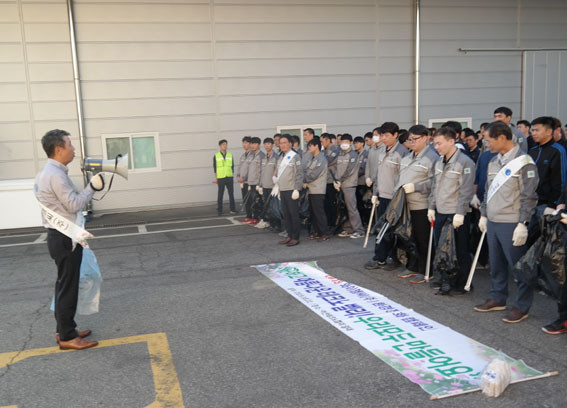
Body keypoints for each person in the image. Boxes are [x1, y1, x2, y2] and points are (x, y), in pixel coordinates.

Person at [34, 129, 102, 350]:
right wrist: (92, 187)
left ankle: (64, 329)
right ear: (58, 149)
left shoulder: (48, 173)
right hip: (65, 237)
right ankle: (68, 336)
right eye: (70, 145)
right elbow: (74, 205)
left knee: (64, 285)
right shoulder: (55, 175)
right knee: (68, 287)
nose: (73, 149)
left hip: (60, 236)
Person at [474, 122, 539, 323]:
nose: (487, 144)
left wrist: (523, 223)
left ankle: (521, 306)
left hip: (512, 223)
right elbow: (488, 191)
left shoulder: (524, 162)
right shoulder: (493, 161)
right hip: (493, 221)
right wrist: (484, 214)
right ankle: (498, 297)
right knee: (496, 264)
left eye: (489, 140)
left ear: (502, 138)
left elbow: (529, 196)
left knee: (518, 267)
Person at [428, 126, 475, 294]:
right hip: (440, 210)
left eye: (439, 143)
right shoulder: (439, 161)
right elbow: (434, 186)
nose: (436, 147)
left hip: (456, 214)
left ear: (451, 141)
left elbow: (466, 190)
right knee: (441, 247)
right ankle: (443, 277)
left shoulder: (465, 162)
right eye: (435, 143)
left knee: (459, 250)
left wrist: (460, 212)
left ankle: (461, 282)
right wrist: (431, 207)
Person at [394, 125, 439, 283]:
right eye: (410, 139)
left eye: (415, 139)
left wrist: (416, 187)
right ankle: (412, 266)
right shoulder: (407, 158)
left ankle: (426, 270)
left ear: (425, 138)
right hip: (405, 205)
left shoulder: (432, 158)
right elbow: (399, 179)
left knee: (423, 239)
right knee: (409, 237)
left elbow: (435, 182)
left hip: (422, 204)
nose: (411, 142)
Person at [365, 122, 409, 269]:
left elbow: (403, 177)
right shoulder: (382, 150)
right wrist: (375, 193)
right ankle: (380, 257)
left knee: (392, 230)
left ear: (396, 135)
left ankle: (392, 258)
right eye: (382, 135)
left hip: (395, 198)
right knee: (382, 228)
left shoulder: (402, 152)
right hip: (382, 195)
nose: (383, 138)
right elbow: (379, 174)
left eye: (387, 135)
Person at [526, 116, 567, 246]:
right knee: (527, 241)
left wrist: (554, 204)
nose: (533, 133)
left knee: (542, 243)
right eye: (532, 130)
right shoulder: (532, 151)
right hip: (529, 204)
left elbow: (561, 179)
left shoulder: (558, 150)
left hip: (545, 206)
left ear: (549, 131)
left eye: (537, 130)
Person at [272, 134, 303, 246]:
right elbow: (278, 172)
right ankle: (289, 235)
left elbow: (299, 174)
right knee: (286, 214)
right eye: (281, 143)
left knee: (293, 214)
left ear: (290, 144)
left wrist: (297, 189)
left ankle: (295, 237)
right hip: (283, 189)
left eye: (285, 142)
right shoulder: (280, 157)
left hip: (292, 190)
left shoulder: (295, 156)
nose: (283, 145)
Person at [334, 134, 365, 239]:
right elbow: (337, 169)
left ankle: (359, 230)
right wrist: (336, 181)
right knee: (344, 208)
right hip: (340, 185)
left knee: (352, 208)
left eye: (346, 142)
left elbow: (349, 170)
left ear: (351, 143)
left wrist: (340, 180)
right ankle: (348, 228)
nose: (344, 144)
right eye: (343, 142)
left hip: (349, 185)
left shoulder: (353, 155)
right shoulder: (340, 154)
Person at [304, 139, 330, 241]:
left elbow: (313, 174)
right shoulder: (313, 158)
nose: (309, 148)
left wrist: (302, 179)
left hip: (318, 189)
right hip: (311, 189)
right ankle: (317, 231)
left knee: (319, 212)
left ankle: (324, 233)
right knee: (313, 212)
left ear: (316, 146)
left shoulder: (321, 159)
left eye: (311, 146)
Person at [255, 137, 277, 229]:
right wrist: (259, 185)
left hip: (272, 186)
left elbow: (277, 170)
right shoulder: (263, 158)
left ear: (272, 145)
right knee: (266, 205)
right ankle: (267, 221)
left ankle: (275, 224)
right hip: (264, 186)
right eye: (265, 144)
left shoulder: (276, 157)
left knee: (273, 206)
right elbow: (261, 172)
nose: (267, 146)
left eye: (269, 144)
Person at [243, 137, 265, 225]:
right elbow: (248, 168)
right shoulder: (251, 155)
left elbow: (262, 171)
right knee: (253, 202)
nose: (253, 145)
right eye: (252, 144)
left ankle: (259, 218)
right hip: (251, 183)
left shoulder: (261, 155)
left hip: (257, 183)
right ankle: (255, 217)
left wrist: (259, 184)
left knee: (258, 202)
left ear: (259, 145)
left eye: (255, 144)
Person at [321, 133, 340, 228]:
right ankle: (328, 222)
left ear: (328, 140)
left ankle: (332, 223)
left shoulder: (334, 150)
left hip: (332, 180)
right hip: (325, 180)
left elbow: (325, 161)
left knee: (332, 203)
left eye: (322, 141)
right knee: (326, 204)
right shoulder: (324, 151)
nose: (321, 144)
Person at [214, 139, 236, 216]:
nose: (225, 146)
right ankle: (219, 210)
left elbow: (232, 166)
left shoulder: (230, 155)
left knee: (231, 194)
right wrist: (216, 178)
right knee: (220, 194)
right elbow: (215, 168)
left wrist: (231, 175)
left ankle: (232, 209)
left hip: (229, 177)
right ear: (220, 146)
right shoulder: (216, 156)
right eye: (223, 144)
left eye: (226, 144)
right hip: (221, 177)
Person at [353, 136, 370, 226]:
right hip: (354, 183)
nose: (355, 145)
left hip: (362, 182)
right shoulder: (354, 154)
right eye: (354, 143)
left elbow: (363, 168)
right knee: (357, 203)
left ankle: (365, 221)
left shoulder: (366, 154)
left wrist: (353, 175)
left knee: (363, 203)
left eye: (357, 143)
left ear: (362, 143)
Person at [237, 136, 252, 220]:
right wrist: (238, 175)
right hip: (243, 182)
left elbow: (251, 169)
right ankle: (248, 216)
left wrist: (244, 178)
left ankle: (253, 217)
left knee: (251, 200)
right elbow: (240, 167)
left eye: (246, 143)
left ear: (250, 144)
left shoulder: (252, 155)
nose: (244, 144)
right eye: (243, 143)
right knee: (245, 199)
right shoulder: (243, 156)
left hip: (249, 182)